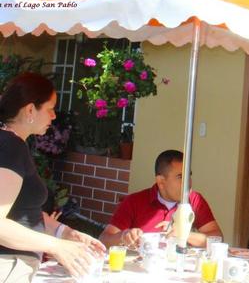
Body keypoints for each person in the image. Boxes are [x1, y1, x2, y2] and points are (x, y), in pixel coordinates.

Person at [0, 72, 105, 282]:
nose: (54, 116)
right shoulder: (11, 147)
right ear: (30, 109)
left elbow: (21, 213)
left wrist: (65, 233)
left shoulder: (12, 144)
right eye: (50, 109)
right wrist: (56, 246)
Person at [100, 149, 222, 248]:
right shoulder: (134, 201)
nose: (188, 182)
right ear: (161, 182)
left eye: (189, 176)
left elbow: (217, 238)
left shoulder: (194, 199)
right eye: (180, 177)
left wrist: (183, 234)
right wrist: (124, 236)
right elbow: (104, 239)